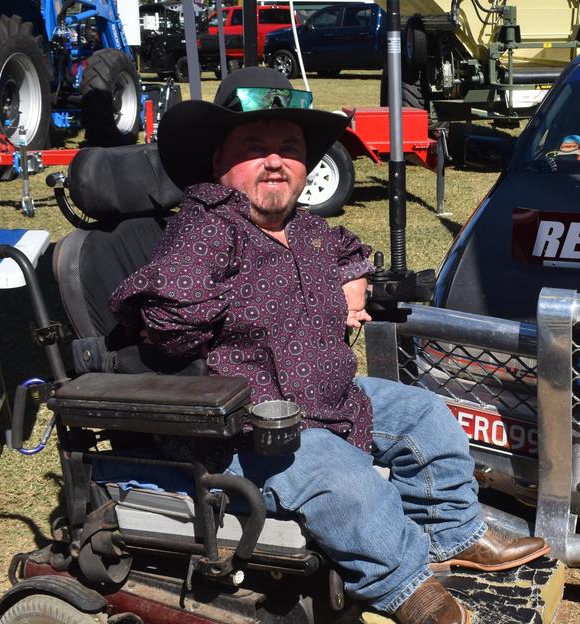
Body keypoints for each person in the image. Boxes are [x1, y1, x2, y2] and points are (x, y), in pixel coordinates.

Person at [110, 67, 549, 624]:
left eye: (289, 149)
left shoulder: (303, 224)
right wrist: (245, 291)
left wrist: (352, 275)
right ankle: (403, 584)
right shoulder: (209, 223)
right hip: (243, 420)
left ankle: (453, 534)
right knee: (342, 479)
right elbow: (167, 318)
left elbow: (345, 247)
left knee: (423, 414)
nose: (276, 161)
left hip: (323, 393)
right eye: (255, 148)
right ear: (219, 162)